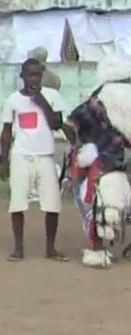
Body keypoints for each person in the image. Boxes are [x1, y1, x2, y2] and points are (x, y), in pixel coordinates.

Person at [65, 57, 131, 268]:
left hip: (98, 163)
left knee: (95, 206)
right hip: (117, 163)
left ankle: (97, 250)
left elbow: (71, 124)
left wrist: (80, 146)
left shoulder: (95, 100)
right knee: (110, 206)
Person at [0, 58, 68, 262]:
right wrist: (4, 161)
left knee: (52, 204)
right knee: (17, 203)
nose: (34, 79)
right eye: (30, 75)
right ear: (22, 76)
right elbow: (6, 132)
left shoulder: (52, 96)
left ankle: (51, 249)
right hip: (21, 156)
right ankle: (18, 248)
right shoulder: (12, 100)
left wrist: (42, 101)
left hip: (45, 156)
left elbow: (57, 124)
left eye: (37, 75)